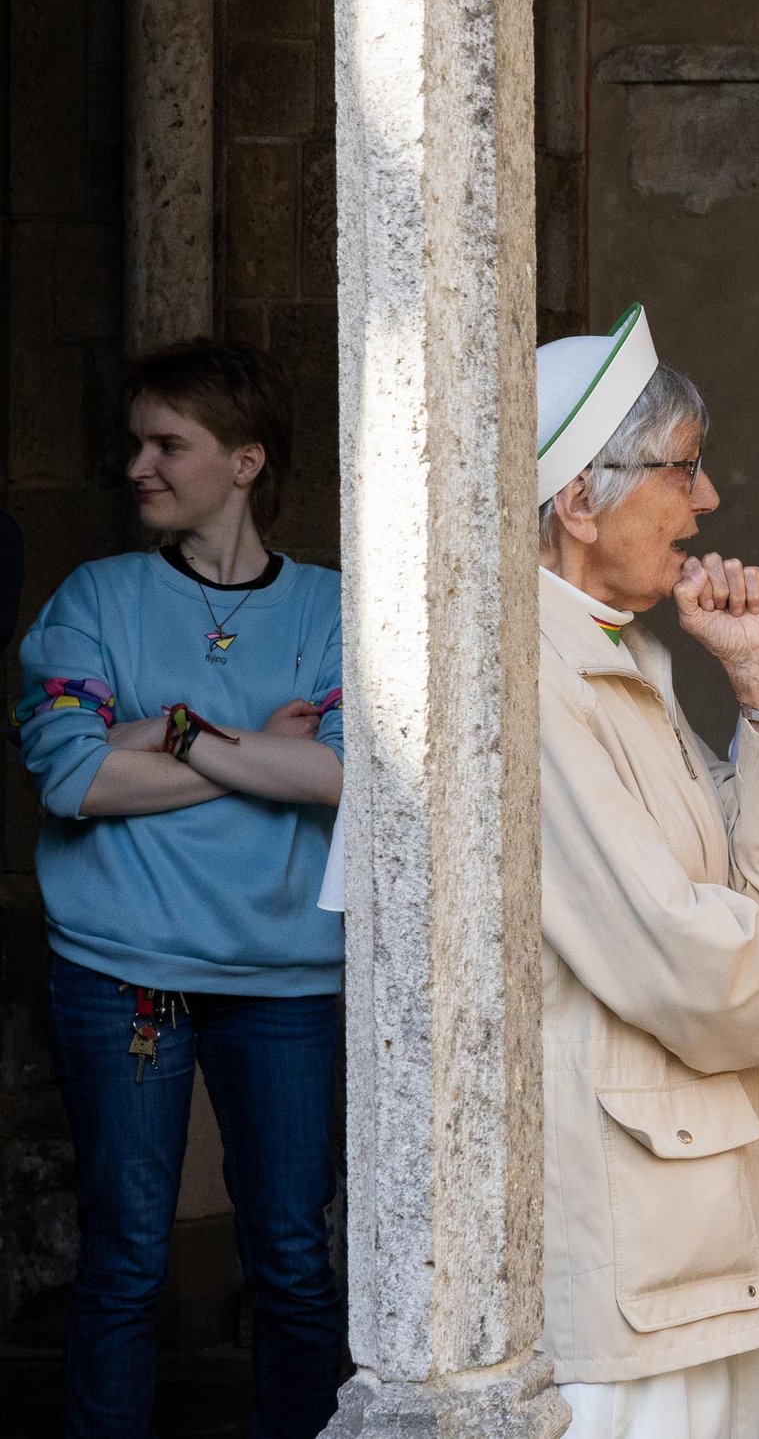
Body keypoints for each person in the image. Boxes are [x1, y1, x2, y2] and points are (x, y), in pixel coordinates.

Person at [17, 339, 346, 1439]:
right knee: (125, 1260)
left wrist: (170, 729)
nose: (139, 466)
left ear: (246, 461)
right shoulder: (92, 598)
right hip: (124, 974)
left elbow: (351, 777)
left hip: (289, 977)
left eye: (169, 444)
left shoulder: (335, 611)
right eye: (135, 443)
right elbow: (72, 776)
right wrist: (255, 754)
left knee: (296, 1263)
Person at [532, 304, 759, 1439]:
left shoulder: (637, 658)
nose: (708, 500)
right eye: (684, 470)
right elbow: (682, 959)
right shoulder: (532, 673)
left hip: (699, 1227)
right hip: (622, 1234)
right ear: (578, 499)